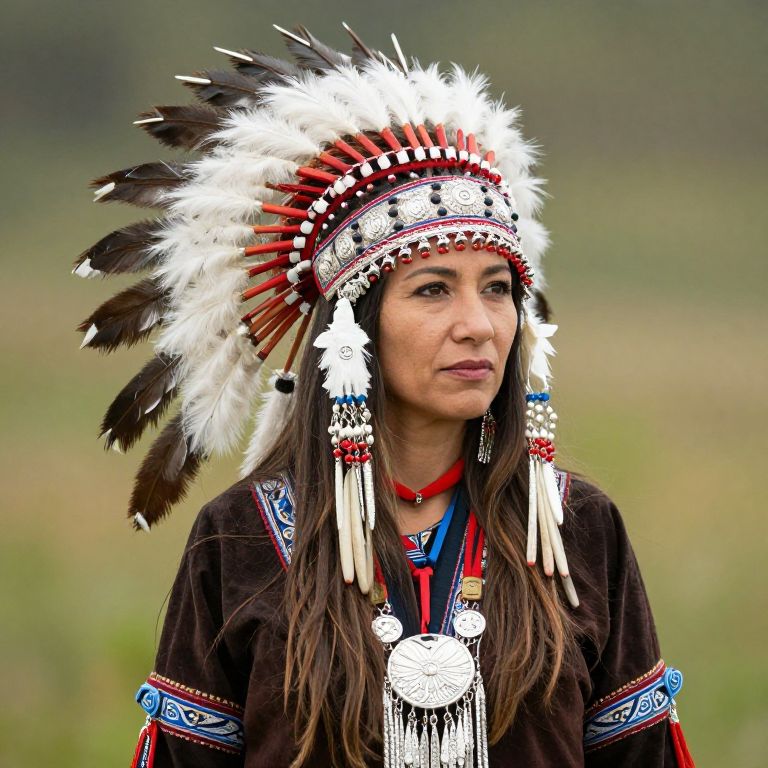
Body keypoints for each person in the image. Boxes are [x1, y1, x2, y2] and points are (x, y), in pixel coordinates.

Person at [75, 23, 696, 768]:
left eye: (497, 290)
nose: (478, 326)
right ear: (354, 328)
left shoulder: (576, 530)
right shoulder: (240, 540)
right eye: (434, 290)